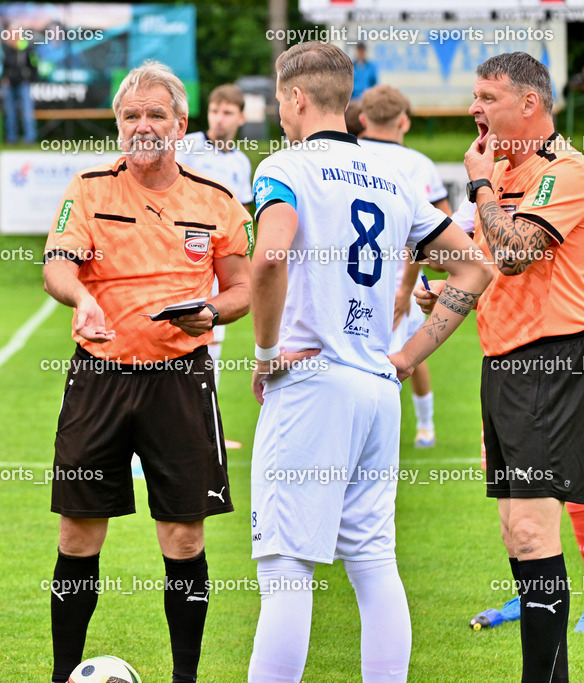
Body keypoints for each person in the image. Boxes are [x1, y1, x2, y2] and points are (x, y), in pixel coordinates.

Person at [248, 42, 491, 681]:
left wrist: (267, 354)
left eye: (279, 99)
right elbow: (474, 266)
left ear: (296, 98)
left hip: (312, 383)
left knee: (286, 570)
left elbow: (269, 257)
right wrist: (408, 354)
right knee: (373, 562)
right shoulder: (395, 179)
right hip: (378, 386)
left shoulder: (286, 167)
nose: (279, 111)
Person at [42, 61, 252, 683]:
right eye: (130, 116)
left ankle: (184, 677)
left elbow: (241, 289)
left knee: (184, 539)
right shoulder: (88, 187)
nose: (142, 126)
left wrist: (211, 311)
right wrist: (81, 297)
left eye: (155, 114)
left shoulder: (215, 200)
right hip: (100, 377)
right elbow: (58, 266)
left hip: (180, 380)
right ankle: (61, 674)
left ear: (181, 124)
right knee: (79, 534)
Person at [415, 51, 584, 681]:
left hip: (551, 364)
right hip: (504, 369)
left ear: (530, 105)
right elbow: (487, 269)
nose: (473, 110)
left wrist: (479, 184)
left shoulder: (564, 171)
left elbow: (513, 254)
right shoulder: (508, 175)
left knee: (537, 536)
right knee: (518, 538)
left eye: (487, 98)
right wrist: (439, 292)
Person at [358, 84, 453, 448]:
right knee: (406, 359)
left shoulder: (343, 154)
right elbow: (442, 232)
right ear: (405, 122)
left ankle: (360, 438)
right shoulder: (417, 164)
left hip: (351, 281)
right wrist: (405, 287)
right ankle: (420, 429)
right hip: (402, 286)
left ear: (363, 119)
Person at [176, 82, 254, 448]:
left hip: (219, 261)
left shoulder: (241, 162)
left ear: (241, 117)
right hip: (180, 258)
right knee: (175, 339)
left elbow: (245, 217)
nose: (219, 119)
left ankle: (209, 428)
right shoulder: (186, 146)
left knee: (214, 341)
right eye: (214, 111)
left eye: (227, 113)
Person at [1, 25, 38, 144]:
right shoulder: (7, 50)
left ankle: (30, 138)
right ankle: (11, 139)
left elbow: (34, 66)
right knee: (10, 113)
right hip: (10, 85)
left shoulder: (27, 48)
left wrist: (29, 79)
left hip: (23, 84)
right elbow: (4, 66)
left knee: (27, 112)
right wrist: (5, 77)